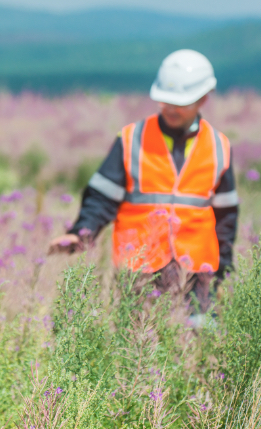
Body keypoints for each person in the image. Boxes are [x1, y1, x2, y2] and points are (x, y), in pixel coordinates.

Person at [49, 49, 238, 313]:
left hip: (197, 273)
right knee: (137, 346)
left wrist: (223, 270)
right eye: (164, 101)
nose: (170, 108)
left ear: (203, 98)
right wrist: (81, 233)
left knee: (194, 344)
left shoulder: (219, 146)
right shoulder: (131, 138)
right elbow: (101, 197)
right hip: (139, 270)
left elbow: (226, 218)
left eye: (179, 103)